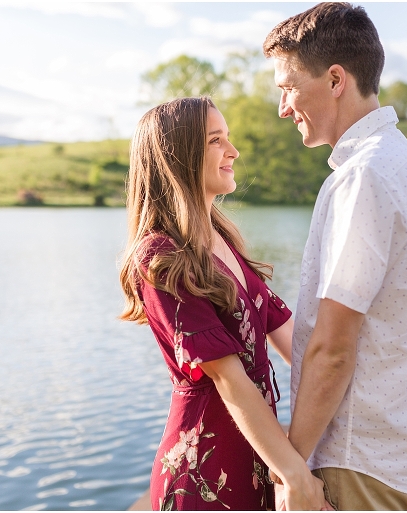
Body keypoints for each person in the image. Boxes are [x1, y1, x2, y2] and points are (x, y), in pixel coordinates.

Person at [263, 3, 407, 511]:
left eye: (287, 87)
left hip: (357, 459)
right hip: (396, 454)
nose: (283, 107)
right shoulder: (404, 160)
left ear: (335, 80)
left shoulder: (365, 176)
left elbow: (335, 348)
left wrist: (291, 469)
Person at [119, 97, 327, 511]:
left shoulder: (223, 240)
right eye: (216, 140)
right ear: (179, 157)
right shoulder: (160, 256)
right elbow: (228, 378)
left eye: (227, 138)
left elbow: (298, 343)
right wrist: (295, 475)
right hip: (203, 476)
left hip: (256, 457)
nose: (233, 151)